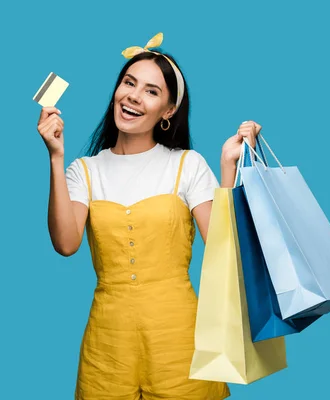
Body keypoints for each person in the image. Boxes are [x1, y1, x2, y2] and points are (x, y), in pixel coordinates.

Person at [36, 33, 260, 400]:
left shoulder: (187, 165)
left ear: (169, 111)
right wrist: (55, 157)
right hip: (106, 352)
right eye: (129, 83)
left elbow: (225, 252)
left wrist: (227, 169)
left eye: (152, 91)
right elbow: (65, 244)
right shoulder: (84, 170)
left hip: (181, 347)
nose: (134, 96)